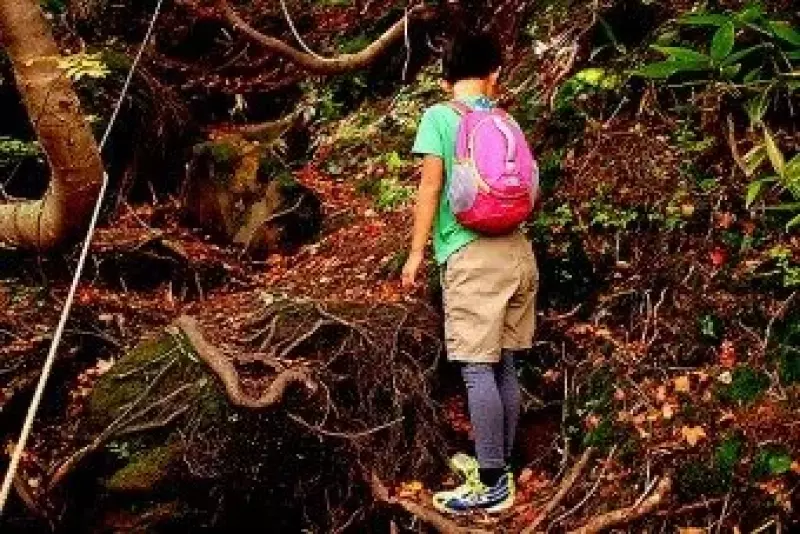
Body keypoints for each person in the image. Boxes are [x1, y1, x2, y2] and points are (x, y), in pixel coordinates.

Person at [401, 30, 539, 515]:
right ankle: (499, 466)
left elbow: (430, 189)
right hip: (517, 253)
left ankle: (493, 483)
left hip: (471, 257)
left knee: (477, 369)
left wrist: (416, 252)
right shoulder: (506, 120)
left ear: (445, 79)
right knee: (505, 365)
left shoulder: (439, 117)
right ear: (494, 74)